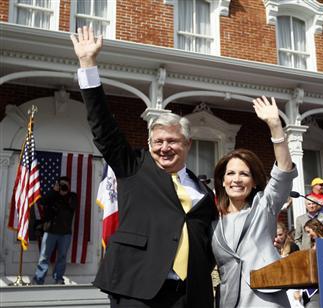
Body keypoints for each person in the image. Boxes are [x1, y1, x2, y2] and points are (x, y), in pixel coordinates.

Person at [71, 26, 217, 308]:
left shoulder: (203, 192)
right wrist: (88, 64)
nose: (164, 148)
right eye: (157, 142)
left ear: (187, 144)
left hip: (189, 294)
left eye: (172, 141)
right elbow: (104, 128)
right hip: (137, 286)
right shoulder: (134, 166)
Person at [211, 96, 298, 308]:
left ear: (253, 181)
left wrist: (275, 126)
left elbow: (283, 173)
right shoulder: (213, 221)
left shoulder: (264, 205)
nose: (237, 179)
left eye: (244, 174)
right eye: (231, 173)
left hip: (265, 300)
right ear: (223, 181)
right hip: (228, 302)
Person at [32, 177, 77, 285]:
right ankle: (38, 279)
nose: (63, 187)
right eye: (61, 185)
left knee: (62, 256)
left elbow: (71, 207)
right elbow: (42, 202)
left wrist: (63, 194)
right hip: (50, 231)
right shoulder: (52, 195)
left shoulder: (72, 196)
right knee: (44, 256)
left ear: (69, 186)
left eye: (65, 185)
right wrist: (54, 192)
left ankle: (58, 278)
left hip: (65, 233)